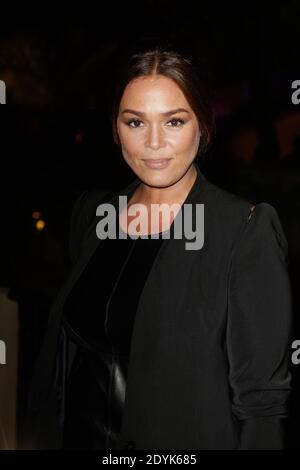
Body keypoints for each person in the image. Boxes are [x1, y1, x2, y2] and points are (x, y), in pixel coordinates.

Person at [22, 46, 293, 450]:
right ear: (116, 128)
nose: (153, 143)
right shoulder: (95, 216)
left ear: (202, 125)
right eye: (135, 122)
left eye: (173, 121)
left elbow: (262, 406)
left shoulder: (243, 231)